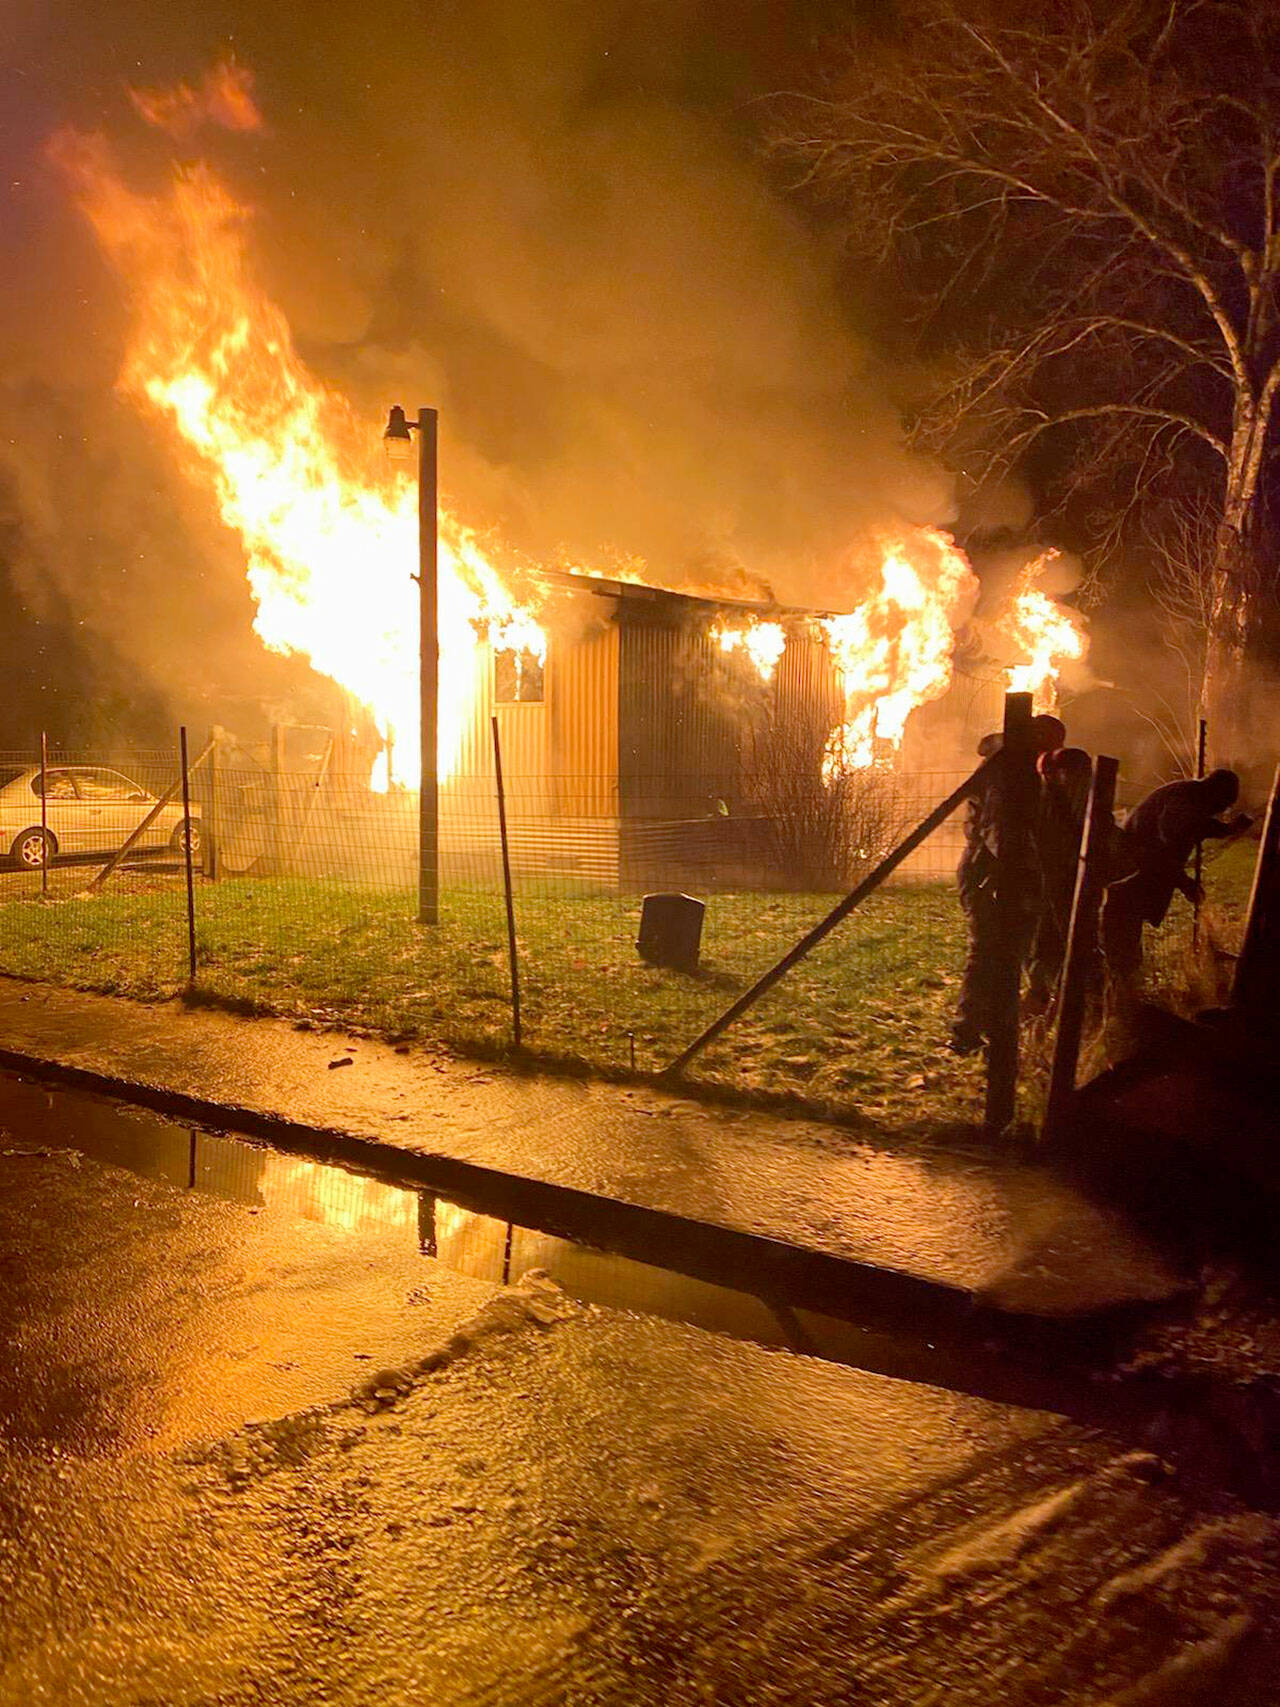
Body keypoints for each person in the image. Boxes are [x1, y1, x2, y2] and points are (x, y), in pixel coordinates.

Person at [950, 713, 1067, 1055]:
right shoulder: (1006, 771)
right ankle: (966, 1032)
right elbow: (996, 827)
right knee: (987, 949)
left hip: (1014, 872)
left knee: (1012, 949)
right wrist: (1020, 865)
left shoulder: (1022, 768)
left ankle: (998, 1028)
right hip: (988, 872)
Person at [1101, 768, 1251, 992]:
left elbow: (1196, 826)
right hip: (1128, 879)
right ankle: (1116, 1002)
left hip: (1134, 878)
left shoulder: (1188, 798)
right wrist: (1185, 883)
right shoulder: (1183, 802)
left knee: (1127, 947)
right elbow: (1163, 850)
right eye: (1222, 805)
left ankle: (1122, 997)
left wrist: (1227, 830)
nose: (1220, 811)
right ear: (1214, 793)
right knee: (1122, 949)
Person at [1027, 747, 1094, 1013]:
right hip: (1050, 880)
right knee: (1052, 939)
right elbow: (1052, 845)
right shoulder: (1048, 803)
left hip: (1063, 879)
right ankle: (1044, 1002)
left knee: (1058, 939)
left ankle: (1056, 1001)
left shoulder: (1068, 799)